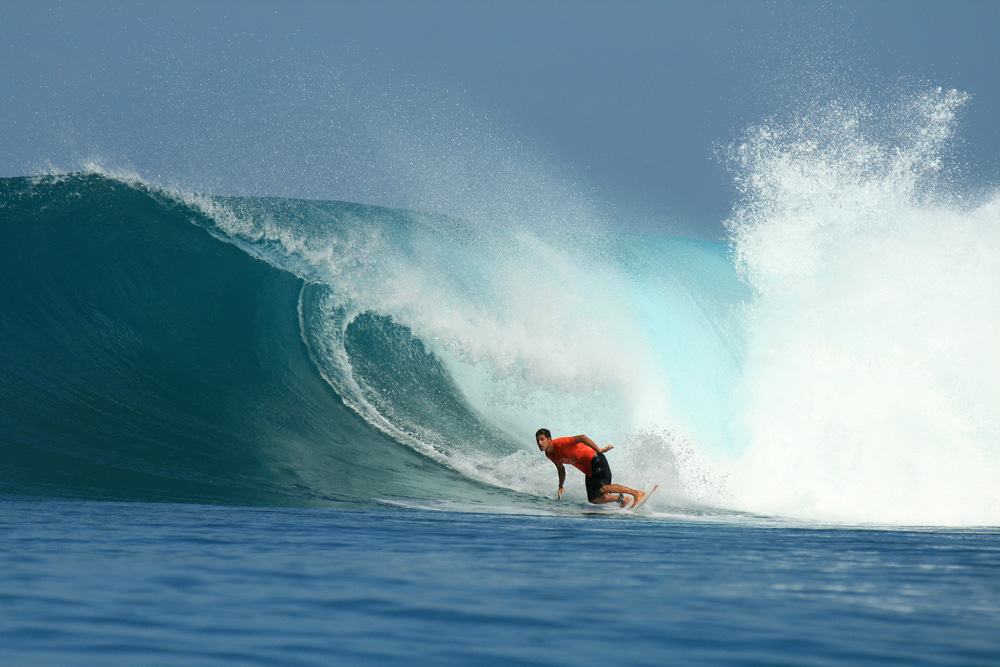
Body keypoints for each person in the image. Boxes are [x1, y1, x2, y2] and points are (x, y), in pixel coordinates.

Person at [535, 428, 644, 508]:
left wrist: (599, 450)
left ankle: (636, 493)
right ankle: (622, 499)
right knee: (594, 498)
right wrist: (560, 485)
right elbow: (560, 469)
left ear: (549, 439)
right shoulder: (549, 454)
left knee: (603, 488)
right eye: (537, 441)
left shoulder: (560, 443)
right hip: (588, 470)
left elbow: (582, 437)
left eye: (542, 439)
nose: (539, 443)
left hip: (595, 459)